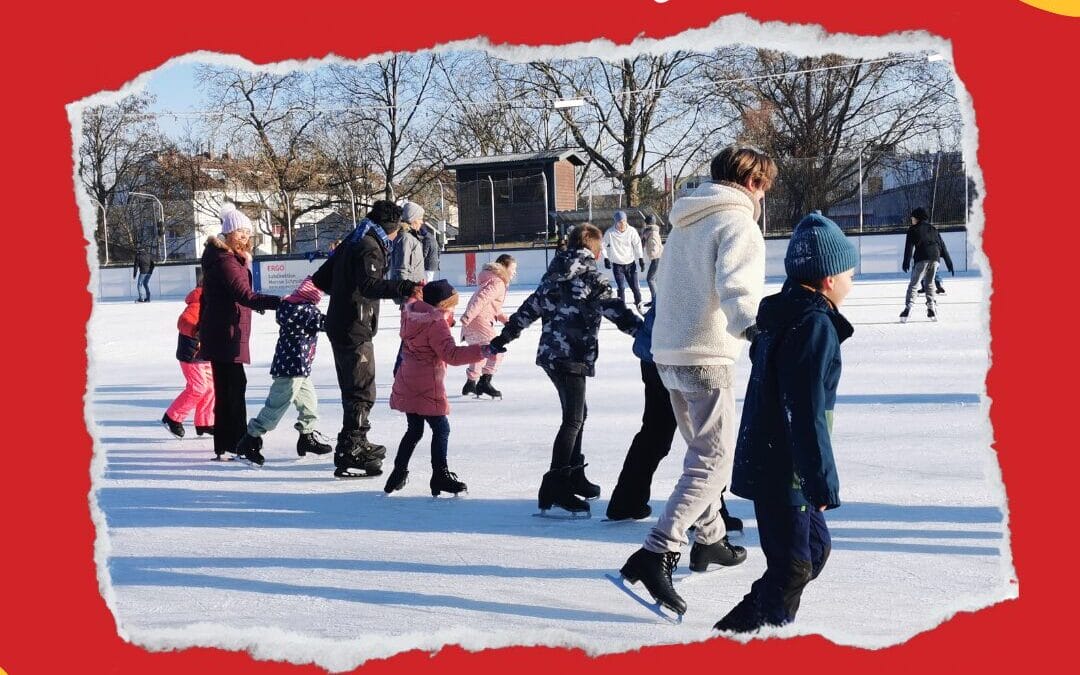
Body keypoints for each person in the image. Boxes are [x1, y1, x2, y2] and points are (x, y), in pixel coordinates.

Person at [619, 146, 776, 617]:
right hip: (706, 353)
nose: (764, 194)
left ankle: (709, 540)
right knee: (716, 459)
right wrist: (755, 331)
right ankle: (657, 550)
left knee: (701, 453)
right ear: (753, 182)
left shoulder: (685, 220)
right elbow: (738, 287)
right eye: (765, 185)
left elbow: (661, 283)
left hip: (667, 352)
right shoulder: (738, 223)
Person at [714, 213, 857, 633]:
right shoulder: (812, 325)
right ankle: (746, 637)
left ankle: (748, 625)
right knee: (794, 565)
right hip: (784, 467)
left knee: (813, 548)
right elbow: (805, 410)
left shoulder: (784, 315)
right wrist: (819, 481)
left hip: (778, 459)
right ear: (829, 279)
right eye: (849, 272)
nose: (852, 280)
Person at [488, 224, 641, 518]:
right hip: (573, 357)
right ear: (595, 249)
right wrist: (648, 335)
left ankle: (572, 474)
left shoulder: (553, 276)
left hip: (551, 356)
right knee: (573, 419)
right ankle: (556, 483)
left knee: (578, 413)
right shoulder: (593, 278)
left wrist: (502, 339)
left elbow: (527, 311)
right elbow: (617, 312)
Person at [605, 303, 743, 533]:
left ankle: (626, 501)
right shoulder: (698, 271)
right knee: (705, 439)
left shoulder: (677, 268)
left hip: (657, 351)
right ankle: (708, 513)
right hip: (679, 353)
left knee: (657, 432)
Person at [311, 200, 421, 478]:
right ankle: (352, 448)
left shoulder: (355, 238)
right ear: (392, 228)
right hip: (353, 326)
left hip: (342, 322)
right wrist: (405, 286)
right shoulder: (370, 245)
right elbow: (368, 285)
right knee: (362, 389)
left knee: (354, 387)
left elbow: (322, 279)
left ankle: (352, 443)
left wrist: (345, 282)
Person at [384, 280, 493, 496]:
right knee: (441, 429)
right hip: (426, 383)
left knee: (414, 430)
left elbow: (416, 303)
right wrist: (484, 350)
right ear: (442, 305)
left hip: (407, 378)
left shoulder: (410, 313)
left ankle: (397, 473)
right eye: (451, 305)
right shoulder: (435, 323)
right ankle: (440, 475)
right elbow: (451, 355)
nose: (453, 310)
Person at [199, 206, 281, 460]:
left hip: (223, 329)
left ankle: (227, 441)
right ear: (228, 233)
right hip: (226, 331)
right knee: (233, 387)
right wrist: (281, 302)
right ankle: (235, 441)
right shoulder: (226, 261)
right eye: (240, 232)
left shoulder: (225, 258)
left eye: (248, 233)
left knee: (229, 387)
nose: (245, 238)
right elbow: (244, 295)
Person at [233, 277, 334, 465]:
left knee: (309, 403)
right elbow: (328, 323)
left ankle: (306, 438)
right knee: (276, 407)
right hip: (292, 369)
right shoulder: (305, 311)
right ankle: (250, 440)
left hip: (298, 368)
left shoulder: (290, 307)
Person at [162, 278, 214, 439]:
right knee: (198, 387)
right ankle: (172, 417)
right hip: (191, 354)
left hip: (205, 354)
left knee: (211, 387)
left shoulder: (212, 302)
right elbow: (183, 321)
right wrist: (196, 331)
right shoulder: (198, 301)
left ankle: (205, 422)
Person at [460, 254, 516, 399]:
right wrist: (468, 315)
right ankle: (485, 381)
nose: (515, 272)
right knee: (496, 349)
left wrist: (507, 321)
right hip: (478, 319)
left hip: (475, 319)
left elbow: (493, 307)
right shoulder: (498, 283)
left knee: (480, 351)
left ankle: (471, 382)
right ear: (504, 267)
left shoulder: (492, 280)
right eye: (513, 268)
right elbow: (481, 299)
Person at [900, 207, 954, 322]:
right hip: (935, 258)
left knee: (914, 284)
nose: (911, 219)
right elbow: (942, 246)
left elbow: (908, 248)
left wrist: (906, 262)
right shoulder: (933, 228)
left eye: (913, 217)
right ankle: (931, 308)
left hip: (922, 258)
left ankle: (908, 308)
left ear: (918, 218)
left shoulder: (913, 229)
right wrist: (949, 263)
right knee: (929, 284)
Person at [601, 211, 645, 313]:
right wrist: (606, 258)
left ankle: (639, 303)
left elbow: (637, 244)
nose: (622, 224)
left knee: (635, 286)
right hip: (617, 265)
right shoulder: (610, 232)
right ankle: (622, 308)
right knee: (620, 287)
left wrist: (641, 258)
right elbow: (602, 245)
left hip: (630, 263)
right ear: (616, 222)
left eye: (624, 221)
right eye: (620, 222)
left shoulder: (631, 231)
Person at [403, 201, 440, 282]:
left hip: (428, 265)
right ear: (413, 220)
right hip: (430, 265)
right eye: (420, 219)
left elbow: (424, 253)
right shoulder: (407, 238)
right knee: (428, 281)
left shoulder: (426, 239)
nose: (422, 222)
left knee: (428, 281)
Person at [640, 215, 664, 307]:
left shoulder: (652, 232)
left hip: (657, 258)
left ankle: (655, 300)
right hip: (657, 258)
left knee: (650, 279)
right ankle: (655, 299)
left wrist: (653, 255)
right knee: (652, 279)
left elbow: (655, 244)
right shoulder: (651, 231)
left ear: (647, 223)